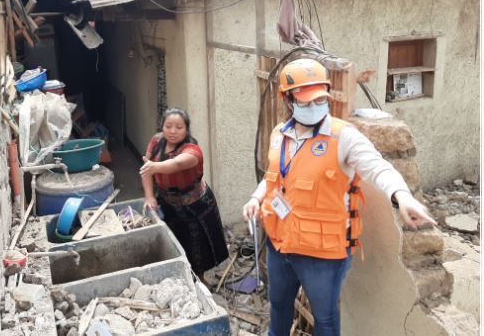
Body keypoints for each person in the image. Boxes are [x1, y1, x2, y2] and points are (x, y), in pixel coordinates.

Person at [242, 58, 436, 336]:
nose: (314, 107)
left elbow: (378, 167)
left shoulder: (343, 137)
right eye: (305, 102)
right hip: (279, 244)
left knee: (325, 319)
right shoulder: (279, 135)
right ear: (288, 100)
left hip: (321, 255)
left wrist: (402, 195)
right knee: (278, 307)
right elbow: (274, 178)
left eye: (320, 100)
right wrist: (255, 198)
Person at [140, 108, 229, 282]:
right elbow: (146, 170)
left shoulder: (192, 150)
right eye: (168, 126)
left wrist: (154, 167)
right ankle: (181, 277)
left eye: (178, 127)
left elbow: (176, 164)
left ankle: (201, 282)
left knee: (198, 249)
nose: (173, 131)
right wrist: (150, 196)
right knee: (175, 243)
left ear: (186, 129)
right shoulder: (156, 141)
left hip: (196, 207)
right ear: (162, 126)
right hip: (168, 203)